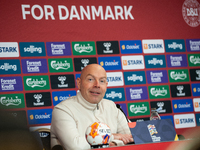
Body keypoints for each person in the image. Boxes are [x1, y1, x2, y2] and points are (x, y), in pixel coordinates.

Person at [51, 64, 133, 150]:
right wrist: (112, 137)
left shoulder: (111, 106)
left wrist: (115, 143)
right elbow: (76, 146)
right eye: (90, 79)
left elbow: (133, 137)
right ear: (79, 83)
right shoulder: (62, 110)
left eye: (102, 81)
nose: (97, 85)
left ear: (106, 85)